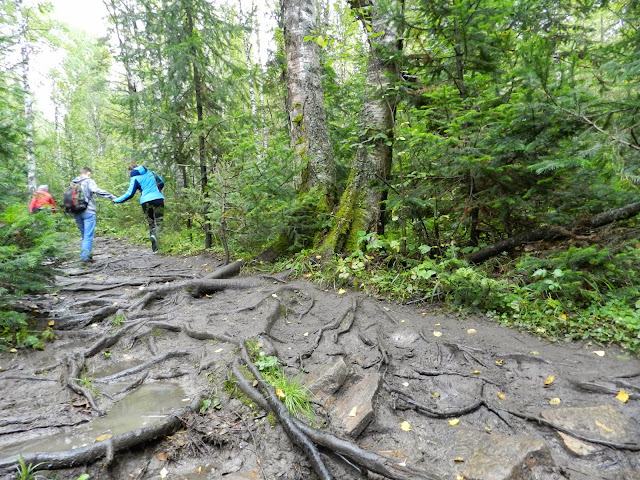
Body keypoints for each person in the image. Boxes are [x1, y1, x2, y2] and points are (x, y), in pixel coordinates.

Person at [113, 162, 165, 253]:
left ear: (131, 170)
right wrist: (158, 190)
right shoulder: (151, 173)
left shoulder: (134, 178)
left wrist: (117, 200)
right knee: (159, 220)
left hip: (146, 201)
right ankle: (158, 240)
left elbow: (130, 194)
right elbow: (162, 182)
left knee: (151, 222)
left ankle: (154, 246)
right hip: (158, 198)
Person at [71, 167, 116, 262]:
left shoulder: (73, 182)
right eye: (90, 174)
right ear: (88, 173)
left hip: (76, 212)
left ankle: (88, 255)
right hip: (88, 211)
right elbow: (96, 190)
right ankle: (85, 258)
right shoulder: (88, 181)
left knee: (84, 236)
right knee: (88, 236)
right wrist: (111, 196)